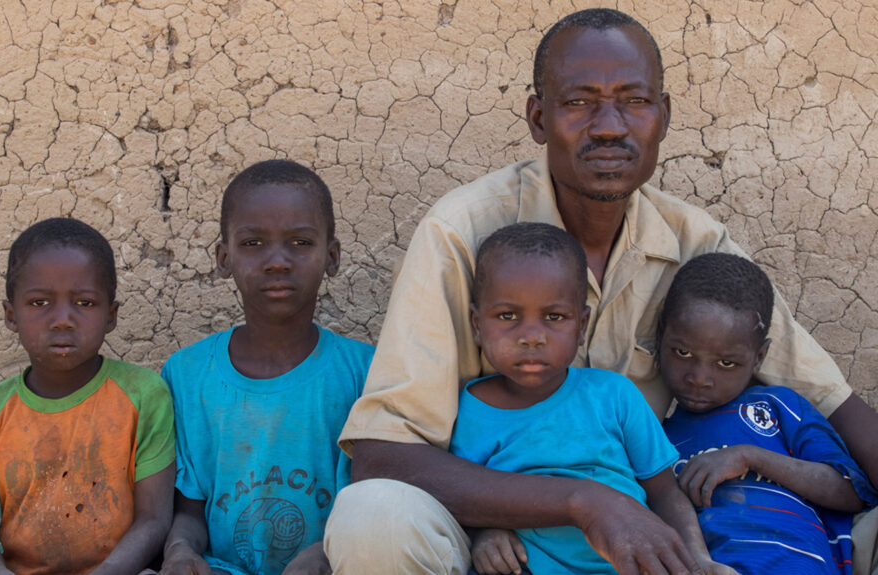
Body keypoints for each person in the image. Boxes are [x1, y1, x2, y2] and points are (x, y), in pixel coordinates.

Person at [326, 7, 878, 575]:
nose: (610, 126)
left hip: (651, 538)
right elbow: (383, 455)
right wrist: (584, 502)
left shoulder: (696, 245)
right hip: (496, 545)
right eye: (579, 101)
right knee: (375, 517)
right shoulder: (462, 232)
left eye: (635, 101)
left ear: (663, 116)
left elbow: (829, 399)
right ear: (539, 117)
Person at [448, 223, 733, 575]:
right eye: (508, 316)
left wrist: (698, 560)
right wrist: (481, 533)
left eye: (554, 317)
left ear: (582, 325)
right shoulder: (469, 412)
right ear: (477, 324)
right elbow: (463, 499)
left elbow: (663, 492)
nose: (532, 337)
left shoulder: (613, 394)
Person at [159, 160, 374, 575]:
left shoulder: (364, 372)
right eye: (253, 243)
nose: (277, 261)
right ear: (224, 258)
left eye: (300, 242)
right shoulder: (186, 375)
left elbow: (373, 504)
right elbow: (189, 512)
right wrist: (180, 552)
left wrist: (326, 552)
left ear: (331, 257)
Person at [0, 218, 177, 575]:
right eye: (39, 302)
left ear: (111, 315)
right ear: (11, 315)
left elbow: (154, 520)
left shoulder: (144, 396)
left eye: (85, 302)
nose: (62, 320)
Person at [658, 253, 878, 574]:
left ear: (759, 357)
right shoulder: (654, 436)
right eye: (683, 352)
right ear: (661, 336)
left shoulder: (777, 407)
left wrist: (751, 457)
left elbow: (852, 492)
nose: (700, 378)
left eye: (726, 363)